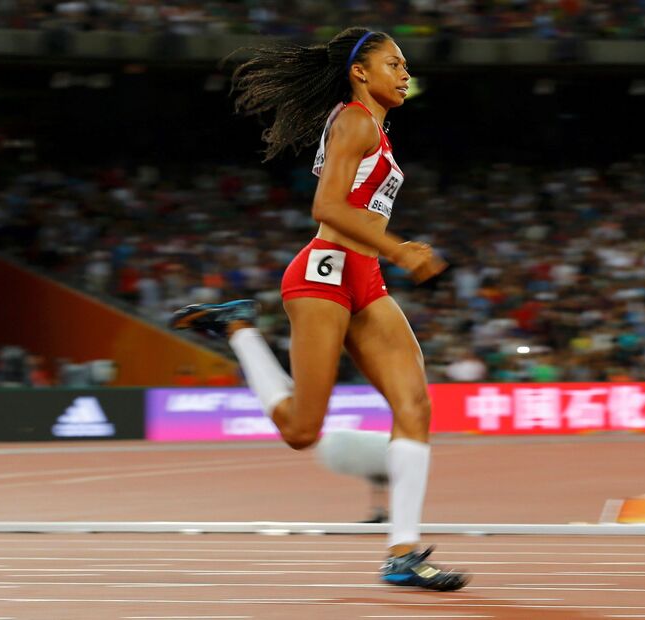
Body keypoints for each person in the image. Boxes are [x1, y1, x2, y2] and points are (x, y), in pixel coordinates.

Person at [170, 27, 468, 592]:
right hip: (322, 274)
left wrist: (385, 257)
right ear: (361, 72)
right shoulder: (353, 120)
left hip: (366, 280)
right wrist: (400, 248)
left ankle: (402, 554)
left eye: (407, 67)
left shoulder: (376, 129)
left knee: (414, 405)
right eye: (394, 64)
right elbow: (326, 206)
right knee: (301, 430)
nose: (406, 74)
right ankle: (237, 327)